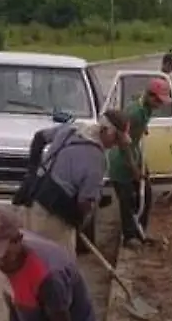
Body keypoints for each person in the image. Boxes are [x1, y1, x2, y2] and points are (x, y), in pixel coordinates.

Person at [16, 109, 128, 257]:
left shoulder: (73, 129)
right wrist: (80, 222)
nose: (115, 145)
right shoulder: (97, 160)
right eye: (116, 139)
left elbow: (39, 138)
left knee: (30, 259)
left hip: (32, 201)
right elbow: (85, 202)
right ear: (107, 131)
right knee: (59, 266)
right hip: (54, 218)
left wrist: (32, 172)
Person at [108, 78, 171, 249]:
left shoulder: (146, 109)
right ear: (150, 96)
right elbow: (123, 142)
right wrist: (133, 167)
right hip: (122, 160)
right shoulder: (135, 113)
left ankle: (140, 231)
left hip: (134, 153)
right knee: (127, 200)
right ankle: (130, 237)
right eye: (158, 100)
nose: (160, 105)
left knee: (146, 195)